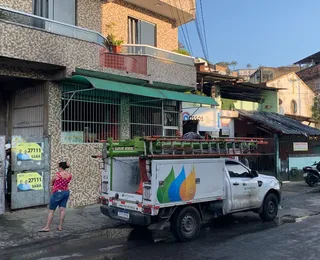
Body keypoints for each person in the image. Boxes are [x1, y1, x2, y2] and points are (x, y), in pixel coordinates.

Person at [39, 162, 72, 232]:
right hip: (66, 192)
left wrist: (52, 191)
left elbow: (51, 183)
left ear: (60, 167)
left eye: (58, 167)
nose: (57, 168)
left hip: (57, 193)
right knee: (62, 209)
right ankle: (60, 226)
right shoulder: (69, 175)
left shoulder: (57, 175)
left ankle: (47, 227)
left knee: (51, 211)